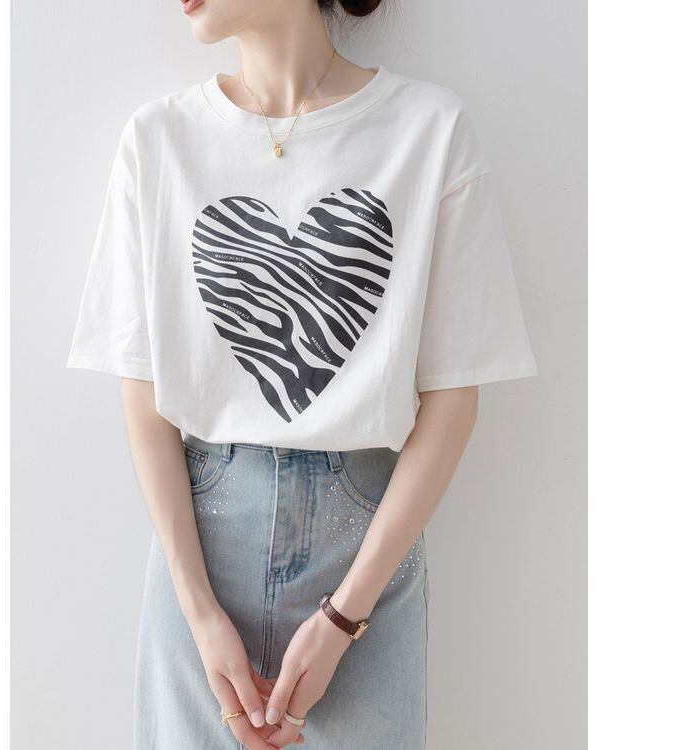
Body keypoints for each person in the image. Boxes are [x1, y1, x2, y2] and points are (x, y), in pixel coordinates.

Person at [66, 0, 538, 747]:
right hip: (199, 546)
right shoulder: (159, 140)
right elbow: (144, 392)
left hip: (369, 552)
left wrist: (346, 616)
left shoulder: (428, 131)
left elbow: (453, 398)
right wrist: (199, 612)